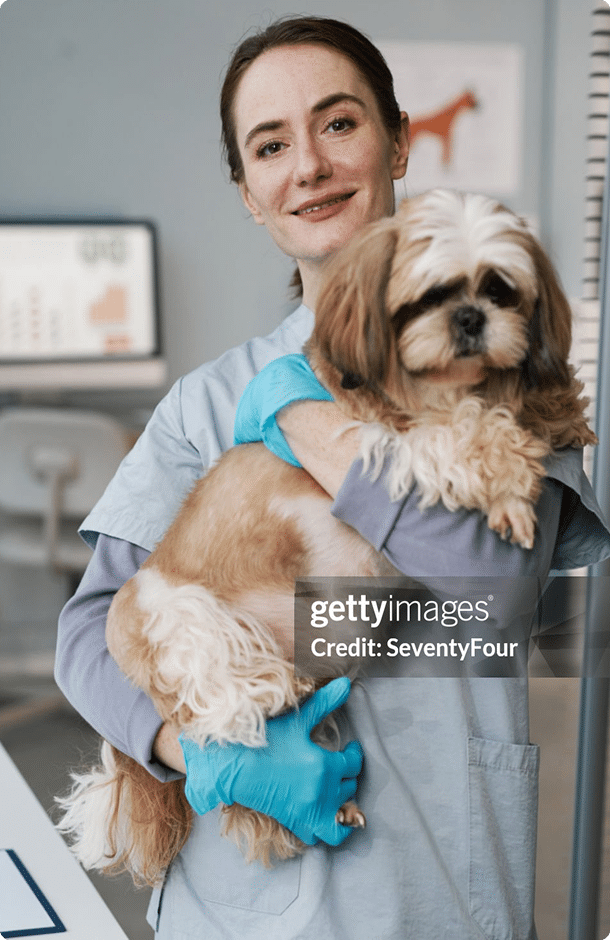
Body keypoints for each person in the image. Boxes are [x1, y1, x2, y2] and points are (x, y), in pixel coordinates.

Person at [55, 15, 610, 940]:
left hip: (443, 881)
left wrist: (306, 426)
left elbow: (494, 599)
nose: (308, 163)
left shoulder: (499, 359)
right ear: (249, 191)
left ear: (398, 139)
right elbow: (89, 629)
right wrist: (190, 749)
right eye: (270, 145)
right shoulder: (205, 403)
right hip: (237, 898)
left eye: (339, 123)